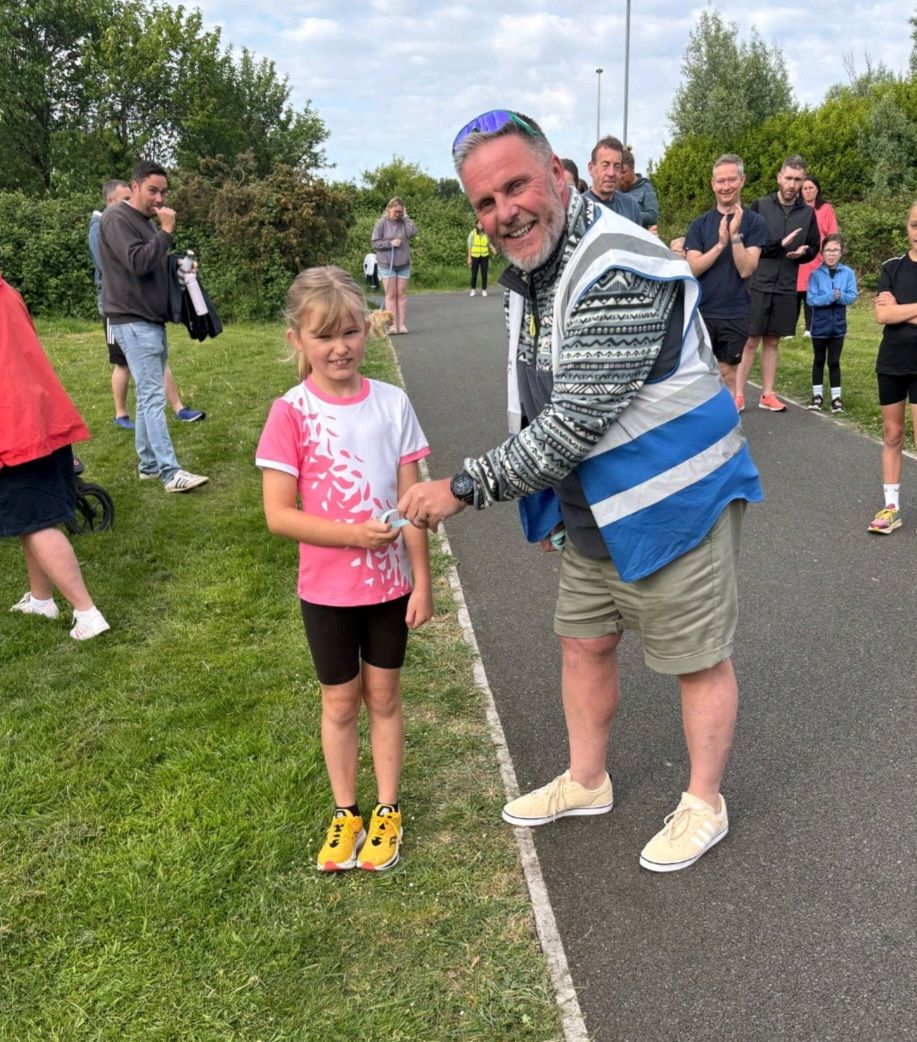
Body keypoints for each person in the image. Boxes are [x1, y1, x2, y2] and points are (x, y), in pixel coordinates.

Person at [399, 109, 763, 873]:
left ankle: (705, 802)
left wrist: (460, 489)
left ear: (557, 174)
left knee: (694, 658)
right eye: (485, 203)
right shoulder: (542, 263)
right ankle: (587, 780)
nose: (504, 213)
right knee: (583, 641)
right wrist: (550, 504)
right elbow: (539, 396)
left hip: (673, 502)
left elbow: (571, 424)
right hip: (598, 507)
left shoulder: (615, 264)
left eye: (516, 186)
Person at [257, 266, 433, 871]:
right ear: (297, 341)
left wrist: (423, 582)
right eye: (324, 335)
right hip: (327, 592)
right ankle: (345, 812)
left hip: (388, 589)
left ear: (369, 332)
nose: (339, 347)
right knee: (340, 703)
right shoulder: (290, 413)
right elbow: (279, 515)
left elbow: (414, 505)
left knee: (384, 695)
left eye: (352, 332)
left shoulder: (394, 404)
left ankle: (387, 811)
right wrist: (353, 535)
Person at [1, 276, 110, 640]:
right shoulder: (6, 291)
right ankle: (41, 599)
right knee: (31, 517)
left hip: (15, 426)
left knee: (37, 522)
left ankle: (87, 612)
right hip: (40, 414)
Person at [98, 160, 208, 492]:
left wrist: (176, 263)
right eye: (152, 190)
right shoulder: (118, 218)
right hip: (132, 319)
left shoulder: (143, 222)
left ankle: (148, 465)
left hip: (149, 318)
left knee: (150, 393)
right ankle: (169, 472)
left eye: (162, 191)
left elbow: (152, 262)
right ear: (134, 186)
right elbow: (138, 263)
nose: (159, 198)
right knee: (151, 396)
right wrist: (167, 232)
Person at [89, 179, 205, 431]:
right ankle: (122, 415)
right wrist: (164, 234)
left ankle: (177, 408)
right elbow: (119, 266)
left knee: (154, 364)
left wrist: (170, 264)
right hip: (118, 307)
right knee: (123, 362)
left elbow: (146, 260)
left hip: (143, 308)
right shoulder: (105, 224)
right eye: (124, 200)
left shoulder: (136, 221)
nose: (131, 205)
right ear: (111, 201)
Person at [734, 155, 821, 412]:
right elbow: (749, 242)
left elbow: (815, 246)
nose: (793, 185)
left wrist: (803, 253)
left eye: (798, 179)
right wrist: (779, 246)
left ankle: (767, 394)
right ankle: (737, 395)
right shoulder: (760, 206)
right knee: (750, 340)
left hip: (786, 285)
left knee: (773, 340)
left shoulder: (807, 213)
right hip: (758, 283)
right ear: (779, 178)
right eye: (789, 178)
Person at [685, 153, 766, 399]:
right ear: (713, 184)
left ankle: (728, 432)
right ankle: (706, 432)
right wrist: (720, 245)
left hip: (735, 312)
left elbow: (746, 268)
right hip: (702, 311)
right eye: (720, 181)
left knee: (727, 373)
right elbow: (693, 268)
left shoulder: (755, 222)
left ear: (742, 180)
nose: (726, 186)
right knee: (699, 376)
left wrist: (734, 237)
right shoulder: (699, 225)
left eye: (731, 180)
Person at [867, 201, 917, 535]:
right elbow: (882, 315)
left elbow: (893, 312)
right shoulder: (892, 268)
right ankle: (891, 507)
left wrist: (903, 310)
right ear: (907, 227)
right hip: (892, 361)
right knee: (892, 434)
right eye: (915, 224)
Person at [805, 234, 857, 413]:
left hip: (838, 327)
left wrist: (840, 296)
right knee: (819, 360)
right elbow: (811, 300)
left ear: (841, 252)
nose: (831, 254)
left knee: (834, 362)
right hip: (819, 327)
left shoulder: (848, 273)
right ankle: (817, 396)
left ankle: (836, 398)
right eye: (828, 250)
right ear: (822, 253)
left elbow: (852, 296)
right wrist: (829, 297)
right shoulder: (815, 275)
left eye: (835, 250)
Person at [795, 175, 839, 338]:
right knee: (794, 293)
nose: (807, 191)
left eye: (811, 187)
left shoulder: (825, 208)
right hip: (798, 256)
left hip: (817, 258)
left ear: (817, 189)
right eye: (804, 188)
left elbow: (832, 233)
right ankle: (788, 330)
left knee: (811, 292)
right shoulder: (795, 208)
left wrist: (829, 253)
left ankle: (809, 327)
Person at [371, 197, 417, 334]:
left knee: (401, 294)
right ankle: (392, 326)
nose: (398, 214)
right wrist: (390, 243)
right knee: (390, 295)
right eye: (396, 211)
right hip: (386, 264)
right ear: (389, 208)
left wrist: (406, 217)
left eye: (401, 212)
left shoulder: (404, 222)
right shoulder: (381, 223)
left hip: (403, 264)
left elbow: (413, 233)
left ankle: (401, 325)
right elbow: (374, 243)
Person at [583, 135, 642, 225]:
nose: (611, 173)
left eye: (616, 166)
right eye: (605, 165)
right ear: (591, 169)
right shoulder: (579, 210)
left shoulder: (631, 207)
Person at [619, 149, 659, 230]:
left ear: (632, 169)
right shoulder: (614, 189)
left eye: (623, 172)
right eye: (618, 172)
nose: (620, 176)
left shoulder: (646, 187)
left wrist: (629, 215)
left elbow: (653, 215)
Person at [467, 218, 496, 297]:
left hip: (484, 255)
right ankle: (473, 289)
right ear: (476, 224)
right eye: (479, 224)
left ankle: (484, 290)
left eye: (482, 224)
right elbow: (469, 246)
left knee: (484, 273)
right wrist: (469, 258)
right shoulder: (472, 233)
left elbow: (489, 243)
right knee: (474, 273)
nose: (481, 225)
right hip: (475, 255)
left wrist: (492, 248)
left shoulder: (486, 234)